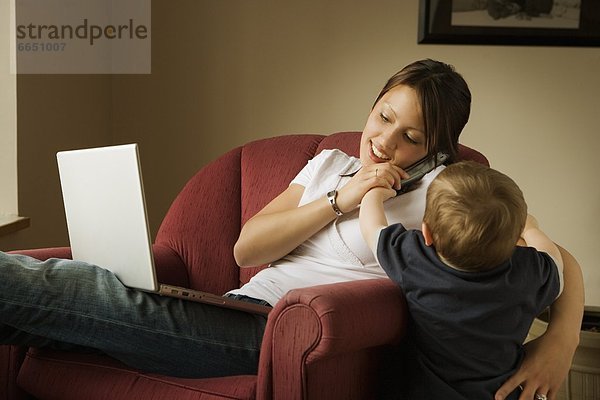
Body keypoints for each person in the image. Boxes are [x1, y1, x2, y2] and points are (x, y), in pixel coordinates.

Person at [0, 59, 584, 399]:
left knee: (74, 291)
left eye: (412, 137)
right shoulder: (329, 168)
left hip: (274, 338)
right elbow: (247, 246)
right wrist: (342, 198)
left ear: (438, 150)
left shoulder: (448, 196)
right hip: (231, 309)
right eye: (384, 116)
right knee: (57, 299)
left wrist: (560, 342)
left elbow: (558, 258)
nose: (384, 140)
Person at [359, 160, 563, 399]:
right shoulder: (528, 271)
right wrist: (531, 228)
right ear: (514, 240)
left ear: (426, 232)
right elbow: (556, 261)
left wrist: (373, 194)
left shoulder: (416, 259)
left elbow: (372, 229)